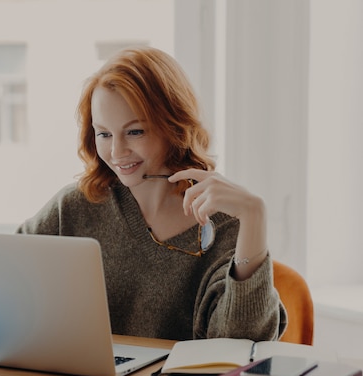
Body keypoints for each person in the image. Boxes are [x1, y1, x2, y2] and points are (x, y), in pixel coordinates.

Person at [17, 46, 286, 342]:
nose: (117, 152)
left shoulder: (224, 224)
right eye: (104, 134)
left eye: (135, 132)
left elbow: (241, 346)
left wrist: (255, 218)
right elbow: (3, 282)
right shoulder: (74, 207)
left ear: (172, 125)